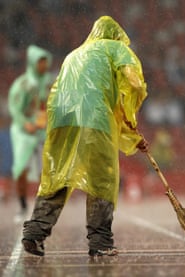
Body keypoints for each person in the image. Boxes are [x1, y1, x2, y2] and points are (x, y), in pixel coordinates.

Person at [21, 16, 149, 257]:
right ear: (115, 35)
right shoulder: (116, 48)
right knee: (103, 179)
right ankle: (100, 242)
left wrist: (131, 137)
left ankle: (34, 233)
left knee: (57, 176)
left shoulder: (73, 55)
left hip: (61, 119)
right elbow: (132, 85)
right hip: (94, 120)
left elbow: (59, 91)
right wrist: (133, 123)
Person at [8, 45, 52, 220]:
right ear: (33, 63)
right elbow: (15, 107)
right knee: (21, 169)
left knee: (46, 169)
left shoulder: (48, 83)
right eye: (40, 62)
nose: (43, 65)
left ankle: (43, 207)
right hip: (23, 132)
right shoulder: (23, 84)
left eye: (45, 62)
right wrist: (25, 123)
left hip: (42, 130)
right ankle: (22, 206)